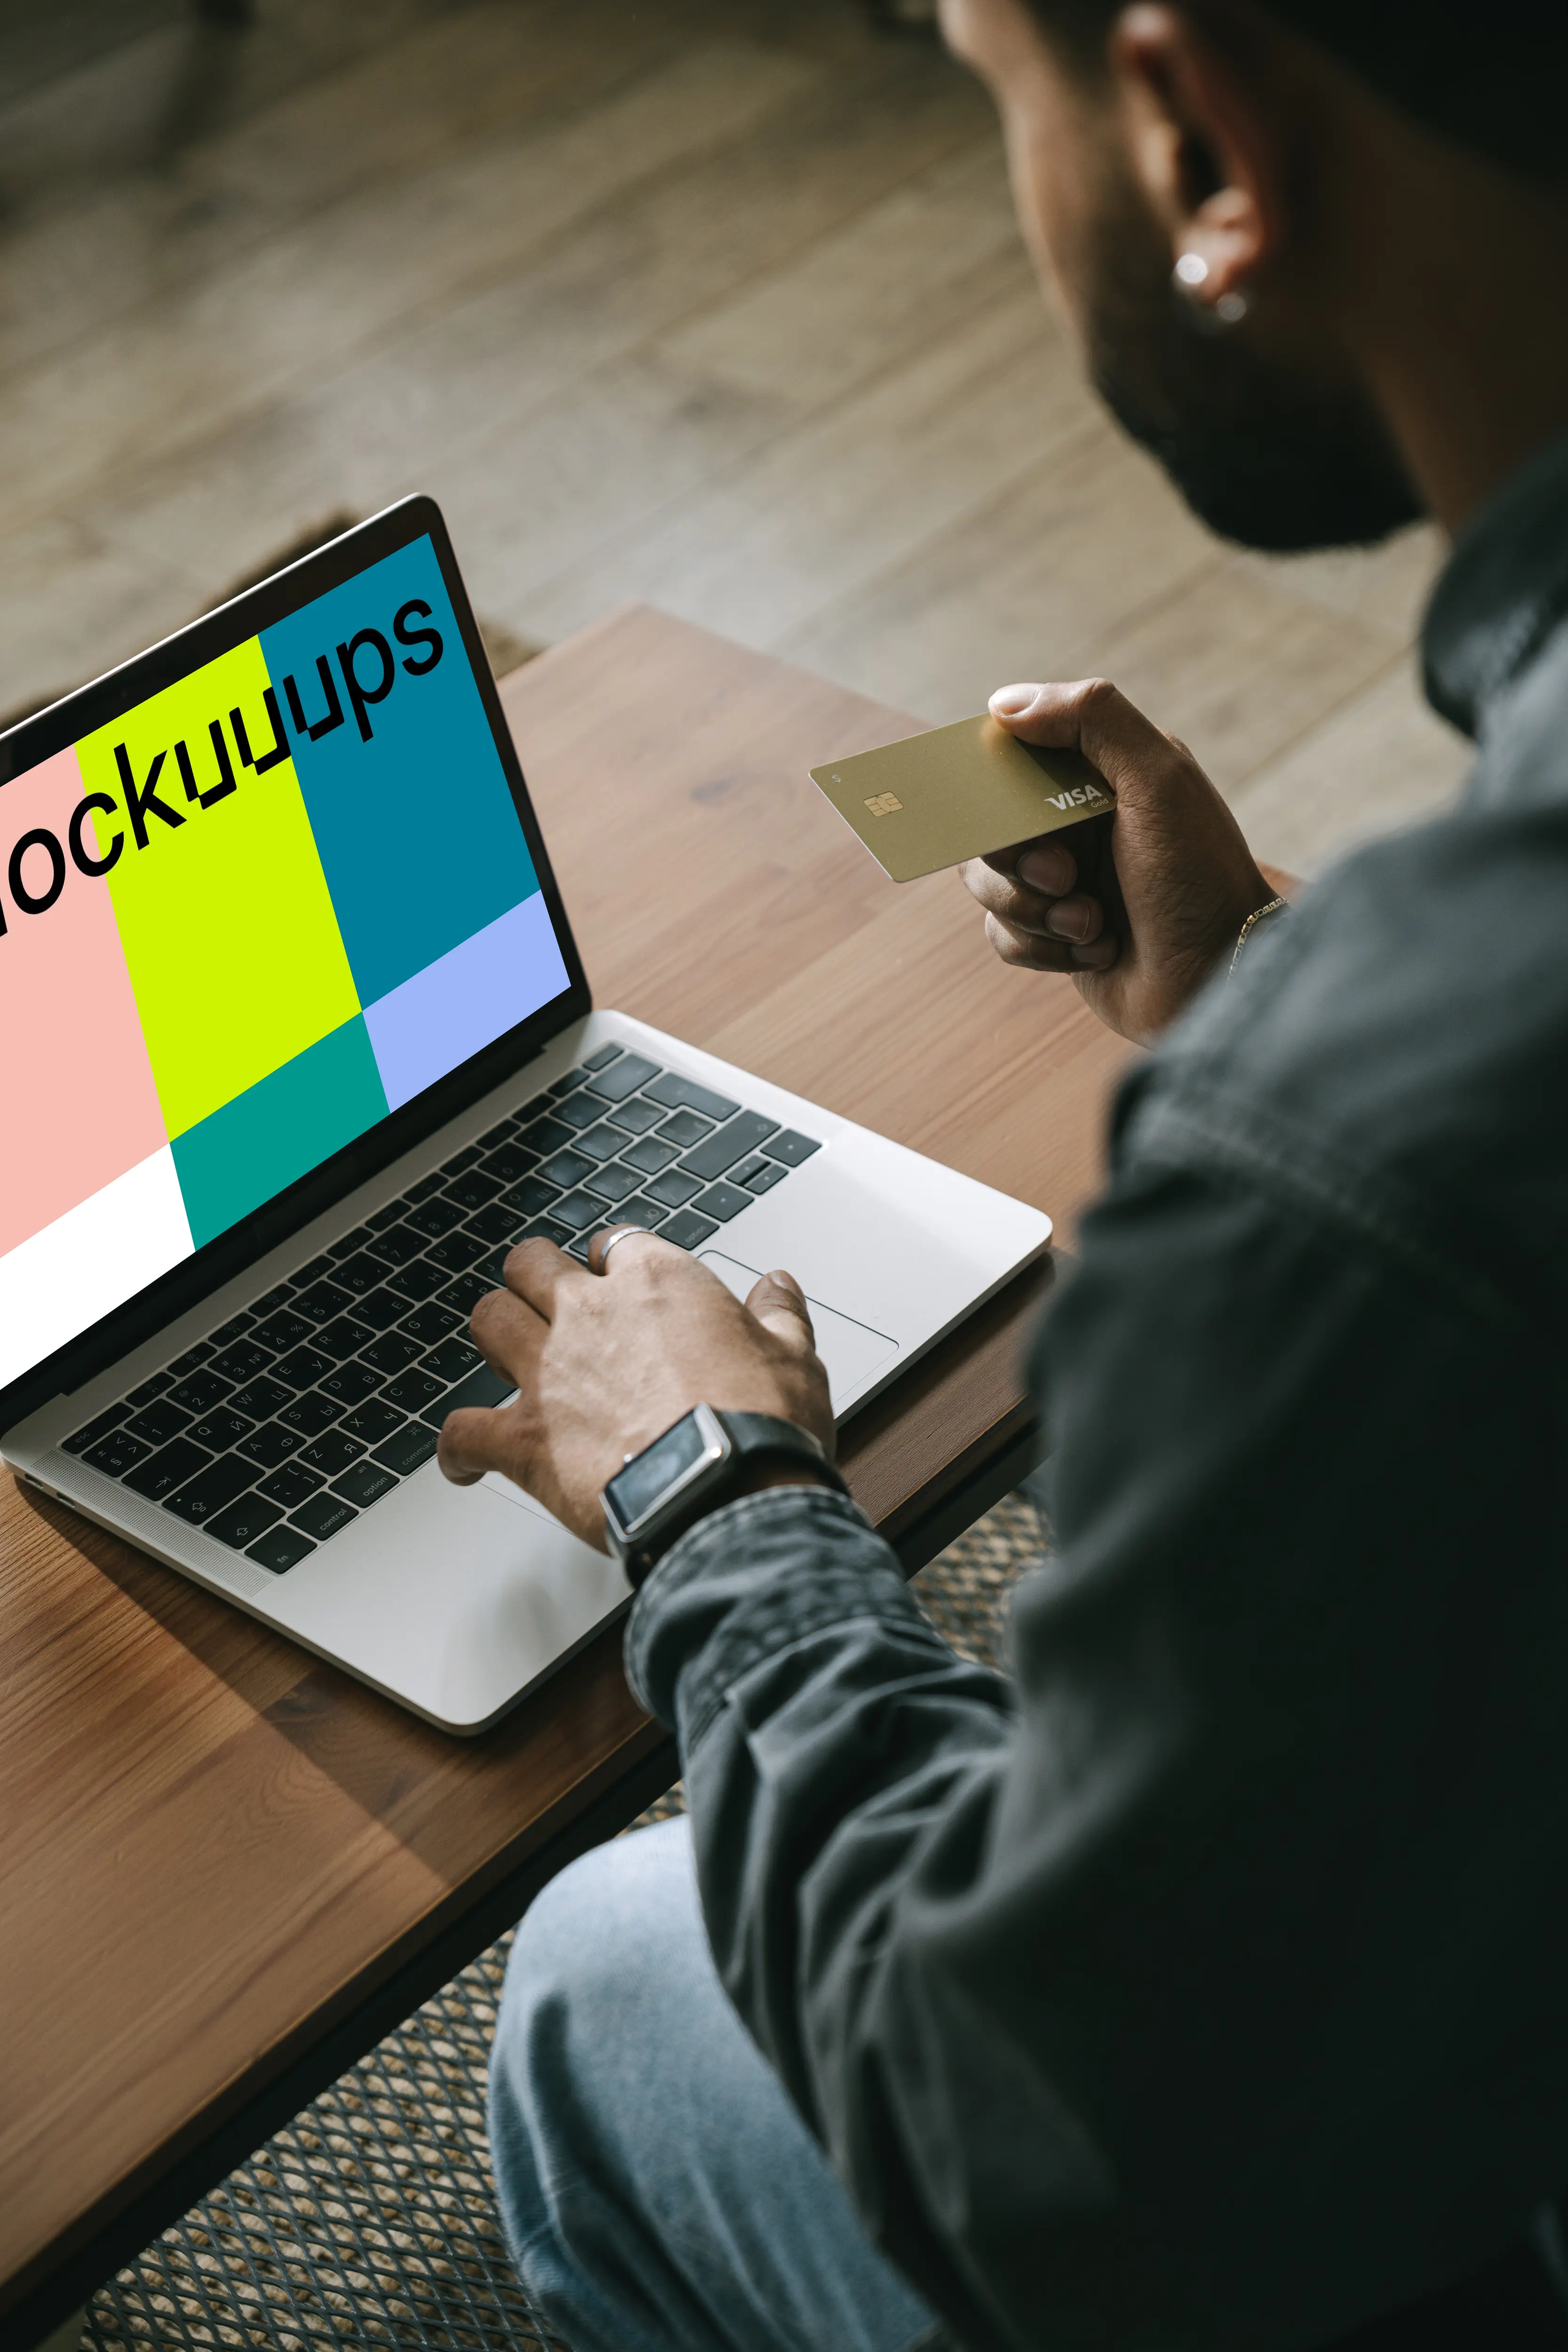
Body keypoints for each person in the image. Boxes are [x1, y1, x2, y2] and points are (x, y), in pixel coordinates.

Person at [439, 1, 1568, 2345]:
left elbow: (1017, 2135)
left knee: (599, 1966)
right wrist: (1255, 991)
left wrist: (718, 1500)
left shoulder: (1380, 1138)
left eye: (995, 80)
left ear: (1191, 137)